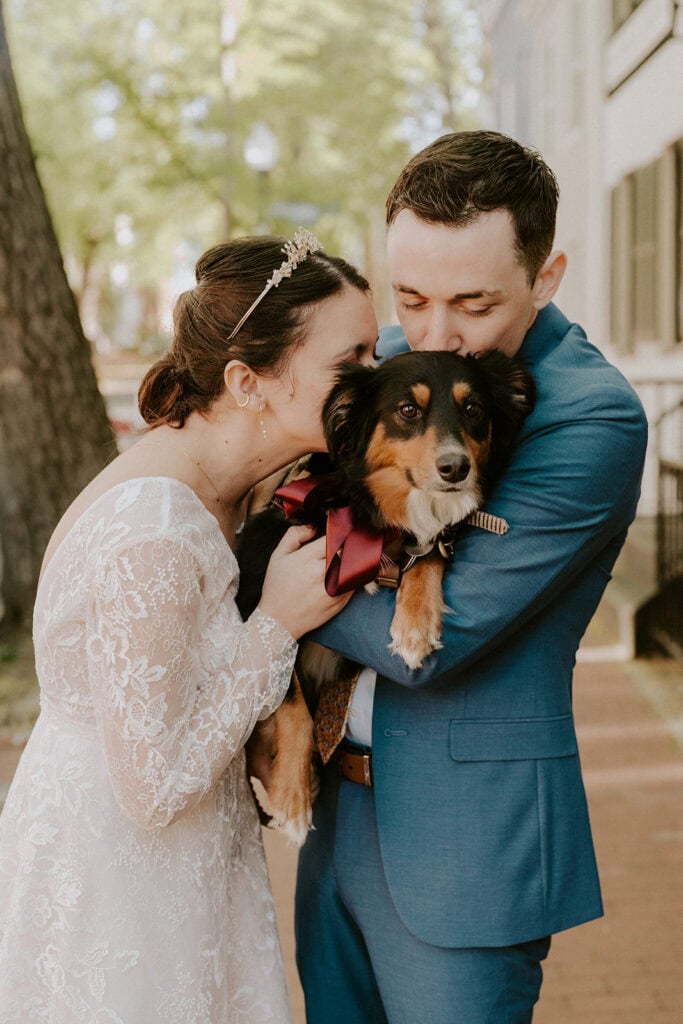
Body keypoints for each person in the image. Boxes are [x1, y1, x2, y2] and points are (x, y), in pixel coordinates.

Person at [294, 132, 649, 1023]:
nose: (434, 336)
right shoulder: (381, 357)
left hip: (467, 845)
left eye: (473, 304)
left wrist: (278, 588)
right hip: (333, 810)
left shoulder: (590, 418)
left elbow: (431, 644)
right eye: (410, 298)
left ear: (547, 274)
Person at [0, 230, 378, 1023]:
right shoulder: (157, 529)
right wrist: (276, 624)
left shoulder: (230, 484)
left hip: (184, 866)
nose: (375, 382)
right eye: (353, 365)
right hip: (120, 883)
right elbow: (156, 787)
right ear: (249, 382)